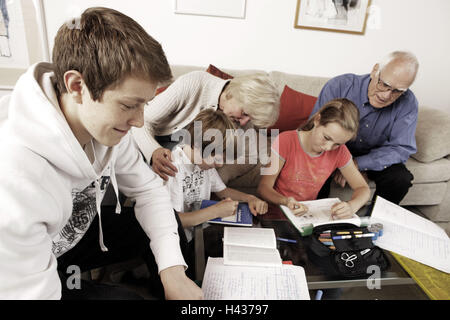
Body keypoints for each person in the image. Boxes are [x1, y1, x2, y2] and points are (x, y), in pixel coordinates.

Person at [0, 7, 202, 300]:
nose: (139, 121)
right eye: (129, 105)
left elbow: (149, 191)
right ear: (77, 86)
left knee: (166, 235)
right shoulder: (16, 173)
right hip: (17, 275)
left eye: (144, 104)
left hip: (68, 237)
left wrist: (173, 272)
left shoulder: (104, 129)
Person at [311, 51, 419, 206]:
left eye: (397, 91)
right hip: (334, 149)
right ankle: (318, 222)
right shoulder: (340, 86)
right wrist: (344, 164)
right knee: (317, 168)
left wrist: (359, 164)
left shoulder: (408, 103)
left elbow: (401, 148)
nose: (386, 96)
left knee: (400, 178)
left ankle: (373, 223)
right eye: (384, 85)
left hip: (373, 155)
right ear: (375, 70)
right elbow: (316, 131)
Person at [132, 70, 280, 182]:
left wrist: (216, 178)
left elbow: (250, 155)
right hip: (151, 141)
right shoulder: (194, 83)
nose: (243, 123)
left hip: (187, 166)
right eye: (245, 113)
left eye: (250, 119)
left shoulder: (242, 120)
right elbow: (141, 121)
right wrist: (153, 152)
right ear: (234, 94)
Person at [166, 109, 268, 241]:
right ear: (196, 144)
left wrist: (249, 198)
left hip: (196, 235)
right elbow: (173, 220)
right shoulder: (172, 168)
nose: (220, 165)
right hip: (176, 241)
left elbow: (222, 191)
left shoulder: (204, 165)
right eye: (217, 159)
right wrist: (216, 211)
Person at [257, 98, 370, 219]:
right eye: (326, 137)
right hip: (275, 217)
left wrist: (352, 206)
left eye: (337, 144)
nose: (328, 148)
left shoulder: (340, 152)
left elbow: (363, 188)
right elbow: (264, 188)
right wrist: (286, 201)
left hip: (306, 220)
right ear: (317, 120)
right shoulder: (286, 141)